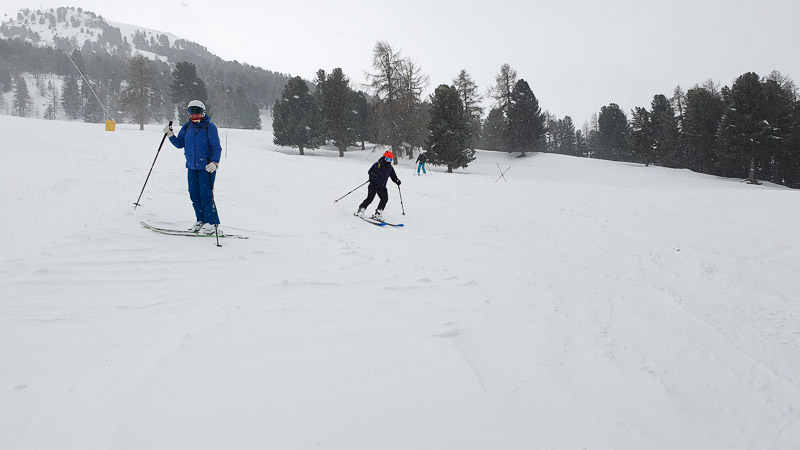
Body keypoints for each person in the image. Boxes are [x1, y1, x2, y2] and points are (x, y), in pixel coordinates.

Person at [163, 100, 223, 234]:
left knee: (206, 195)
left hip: (207, 168)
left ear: (203, 113)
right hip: (192, 167)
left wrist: (214, 163)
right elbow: (180, 144)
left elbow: (216, 148)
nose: (194, 115)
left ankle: (212, 223)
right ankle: (201, 220)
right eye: (191, 112)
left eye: (197, 112)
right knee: (194, 195)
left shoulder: (209, 127)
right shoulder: (187, 127)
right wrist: (170, 135)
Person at [356, 150, 401, 221]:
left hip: (382, 186)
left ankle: (378, 213)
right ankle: (361, 210)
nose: (389, 161)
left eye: (390, 159)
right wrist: (373, 176)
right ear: (384, 157)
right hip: (373, 185)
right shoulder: (378, 164)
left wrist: (396, 180)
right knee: (370, 199)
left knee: (384, 199)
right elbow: (370, 171)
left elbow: (393, 176)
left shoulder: (390, 167)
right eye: (387, 159)